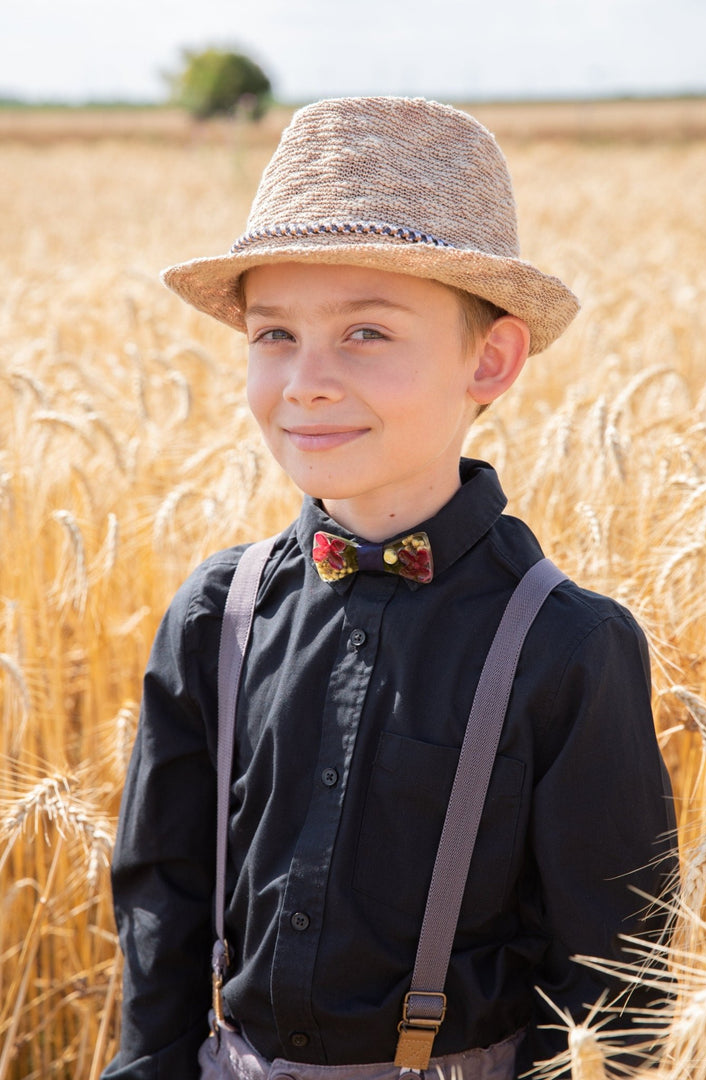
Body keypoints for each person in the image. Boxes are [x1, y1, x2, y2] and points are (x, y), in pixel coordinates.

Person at [102, 97, 676, 1080]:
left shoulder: (567, 645)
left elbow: (614, 979)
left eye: (366, 332)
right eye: (273, 333)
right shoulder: (217, 614)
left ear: (489, 360)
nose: (306, 380)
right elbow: (162, 896)